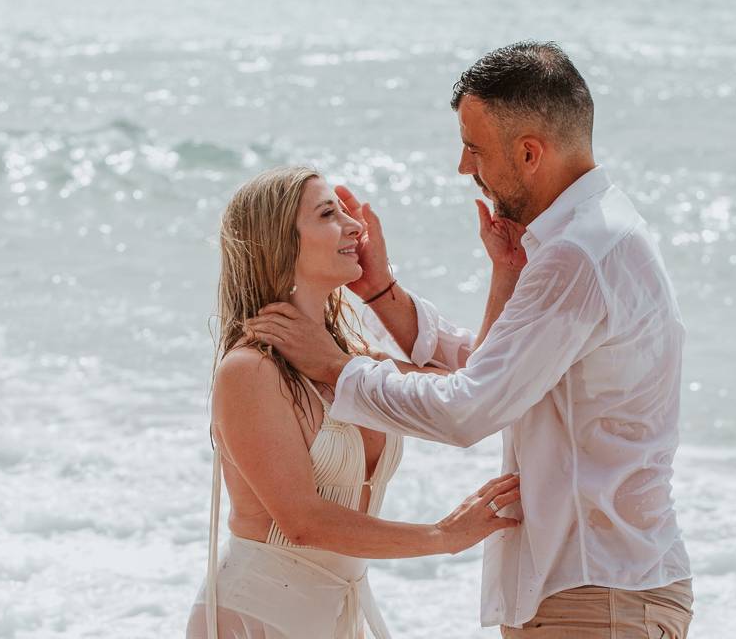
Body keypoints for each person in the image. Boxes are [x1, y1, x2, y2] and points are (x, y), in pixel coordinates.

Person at [247, 42, 694, 638]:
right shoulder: (597, 235)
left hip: (594, 597)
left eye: (474, 148)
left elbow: (469, 407)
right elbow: (504, 373)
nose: (464, 167)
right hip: (598, 590)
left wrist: (335, 367)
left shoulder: (576, 256)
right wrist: (384, 295)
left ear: (530, 152)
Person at [184, 166, 522, 639]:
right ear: (278, 243)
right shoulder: (249, 371)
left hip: (340, 616)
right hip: (259, 616)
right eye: (328, 213)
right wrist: (442, 536)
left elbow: (477, 388)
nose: (355, 226)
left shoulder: (353, 365)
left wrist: (504, 271)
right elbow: (302, 521)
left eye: (346, 211)